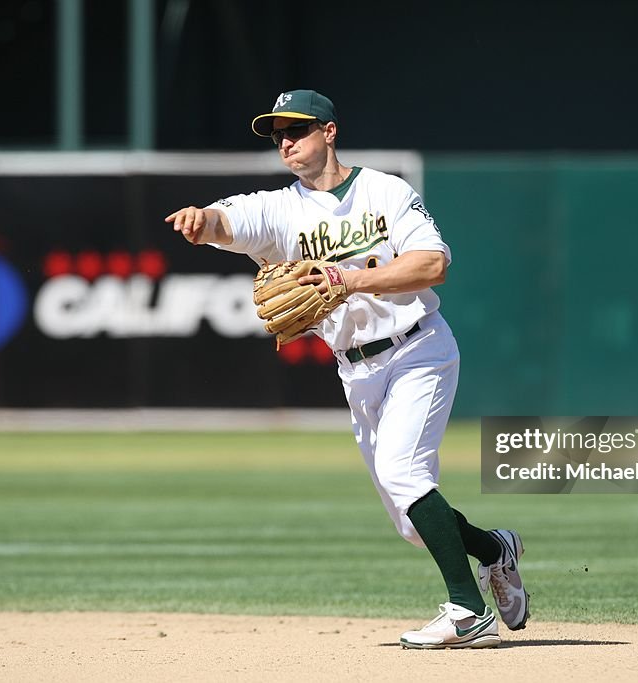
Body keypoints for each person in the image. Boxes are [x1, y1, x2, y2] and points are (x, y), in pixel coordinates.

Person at [165, 89, 529, 649]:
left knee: (406, 476)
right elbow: (226, 220)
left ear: (329, 132)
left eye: (297, 130)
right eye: (277, 134)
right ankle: (494, 549)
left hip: (417, 349)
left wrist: (348, 279)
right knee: (414, 525)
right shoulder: (281, 209)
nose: (286, 141)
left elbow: (432, 264)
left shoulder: (385, 191)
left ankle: (466, 610)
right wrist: (201, 220)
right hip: (355, 370)